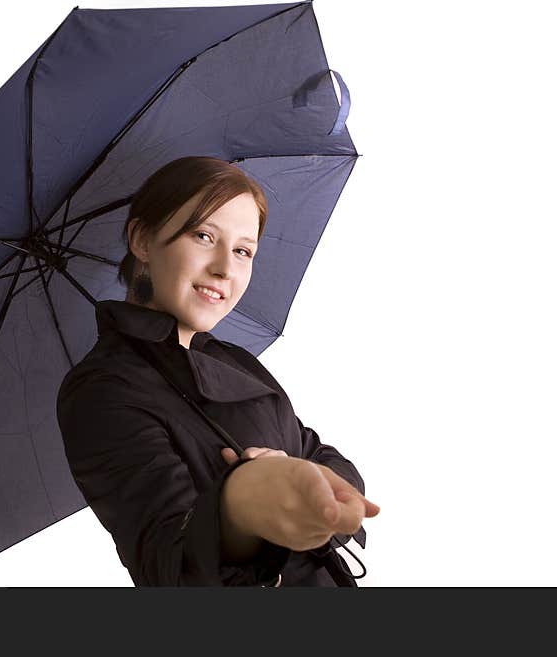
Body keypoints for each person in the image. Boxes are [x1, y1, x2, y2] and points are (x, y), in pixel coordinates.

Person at [56, 156, 380, 586]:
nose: (226, 268)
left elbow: (323, 456)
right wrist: (241, 503)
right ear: (142, 240)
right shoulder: (102, 389)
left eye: (243, 250)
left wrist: (304, 479)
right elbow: (168, 564)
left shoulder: (237, 362)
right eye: (204, 235)